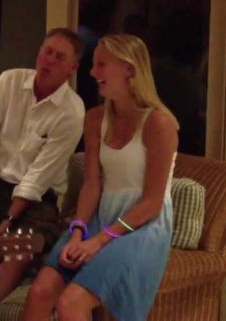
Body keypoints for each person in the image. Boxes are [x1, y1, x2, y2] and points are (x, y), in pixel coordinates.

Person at [21, 34, 179, 321]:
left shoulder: (159, 123)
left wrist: (99, 241)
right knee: (40, 291)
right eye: (93, 65)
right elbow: (92, 184)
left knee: (71, 302)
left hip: (142, 225)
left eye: (101, 64)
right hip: (100, 216)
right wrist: (78, 231)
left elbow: (153, 202)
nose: (93, 73)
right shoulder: (95, 119)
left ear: (129, 69)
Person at [0, 28, 85, 319]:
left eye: (60, 57)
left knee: (18, 255)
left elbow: (39, 176)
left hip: (36, 198)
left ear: (73, 68)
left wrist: (9, 218)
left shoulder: (72, 111)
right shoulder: (10, 80)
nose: (49, 60)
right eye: (47, 51)